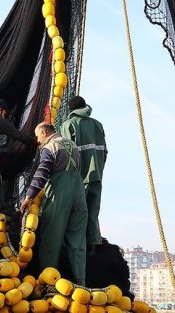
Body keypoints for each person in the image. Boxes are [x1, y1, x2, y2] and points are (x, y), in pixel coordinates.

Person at [20, 122, 87, 285]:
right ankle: (80, 282)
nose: (38, 140)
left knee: (52, 238)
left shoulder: (50, 147)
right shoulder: (73, 145)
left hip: (59, 194)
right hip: (79, 195)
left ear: (44, 132)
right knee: (77, 241)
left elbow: (42, 173)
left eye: (38, 136)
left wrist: (29, 196)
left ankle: (46, 283)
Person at [59, 96, 108, 256]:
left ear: (71, 109)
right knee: (93, 211)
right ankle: (92, 245)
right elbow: (104, 152)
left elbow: (67, 154)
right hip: (97, 175)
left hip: (78, 178)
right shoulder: (97, 125)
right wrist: (98, 168)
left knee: (77, 213)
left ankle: (75, 250)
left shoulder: (69, 124)